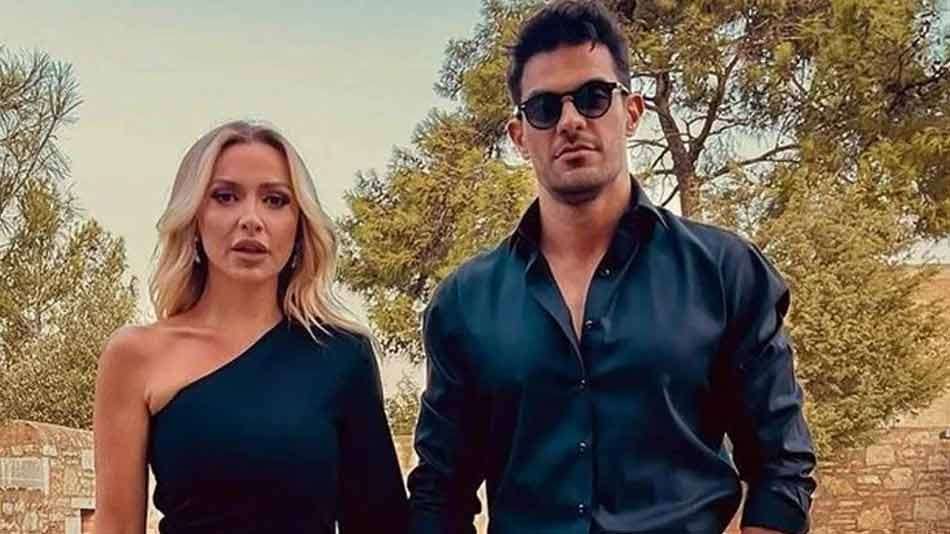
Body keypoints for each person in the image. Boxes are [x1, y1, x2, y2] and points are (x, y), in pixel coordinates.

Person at [407, 2, 816, 533]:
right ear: (519, 135)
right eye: (544, 108)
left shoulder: (725, 273)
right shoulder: (465, 303)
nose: (571, 122)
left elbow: (782, 467)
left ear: (632, 112)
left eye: (593, 97)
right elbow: (440, 492)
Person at [94, 120, 408, 534]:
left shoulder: (343, 356)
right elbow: (116, 526)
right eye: (225, 196)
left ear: (299, 226)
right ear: (193, 217)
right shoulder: (135, 356)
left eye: (275, 200)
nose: (251, 219)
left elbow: (381, 523)